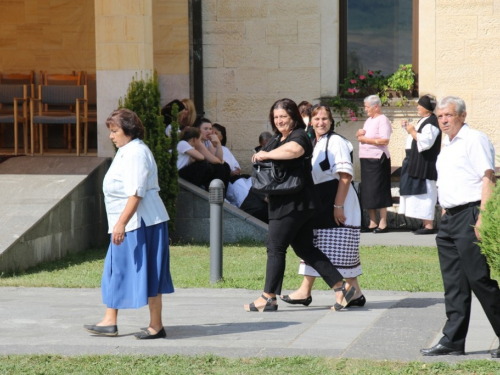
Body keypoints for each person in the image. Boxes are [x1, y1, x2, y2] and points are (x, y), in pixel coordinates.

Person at [244, 98, 356, 313]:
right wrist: (261, 154)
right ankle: (342, 287)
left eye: (283, 116)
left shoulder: (300, 135)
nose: (279, 121)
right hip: (288, 202)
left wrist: (266, 154)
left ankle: (268, 297)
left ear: (293, 117)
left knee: (275, 247)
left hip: (293, 203)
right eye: (276, 117)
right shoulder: (277, 138)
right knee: (305, 248)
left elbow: (294, 151)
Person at [420, 96, 500, 358]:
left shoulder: (474, 139)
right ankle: (453, 340)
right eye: (440, 115)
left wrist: (483, 217)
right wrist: (445, 209)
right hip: (450, 219)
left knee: (480, 280)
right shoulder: (448, 144)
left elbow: (488, 178)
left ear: (462, 116)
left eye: (449, 115)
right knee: (454, 283)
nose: (443, 120)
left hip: (471, 215)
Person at [84, 108, 174, 340]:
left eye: (115, 131)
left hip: (141, 223)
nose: (111, 136)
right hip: (130, 222)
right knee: (115, 269)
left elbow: (136, 193)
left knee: (146, 272)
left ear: (128, 131)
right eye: (111, 131)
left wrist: (120, 224)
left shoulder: (136, 153)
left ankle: (155, 326)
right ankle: (109, 320)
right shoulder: (127, 151)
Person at [280, 104, 365, 308]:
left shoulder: (337, 142)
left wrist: (338, 206)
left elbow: (345, 176)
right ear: (310, 121)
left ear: (331, 121)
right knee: (317, 246)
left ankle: (348, 293)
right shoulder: (312, 142)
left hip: (337, 198)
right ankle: (312, 291)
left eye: (325, 119)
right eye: (316, 119)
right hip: (320, 200)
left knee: (336, 249)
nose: (320, 123)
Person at [398, 95, 441, 234]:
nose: (417, 107)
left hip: (424, 164)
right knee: (419, 192)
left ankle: (428, 225)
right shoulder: (425, 120)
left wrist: (412, 131)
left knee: (426, 192)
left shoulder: (432, 123)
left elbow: (426, 142)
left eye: (420, 105)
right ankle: (424, 223)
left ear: (427, 109)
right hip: (416, 162)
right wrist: (409, 130)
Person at [356, 95, 393, 233]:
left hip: (378, 159)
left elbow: (384, 140)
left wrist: (365, 139)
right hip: (366, 159)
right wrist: (358, 134)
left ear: (375, 106)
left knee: (380, 190)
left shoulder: (382, 120)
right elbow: (362, 136)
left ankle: (383, 223)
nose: (365, 110)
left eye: (367, 107)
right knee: (368, 191)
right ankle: (372, 222)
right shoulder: (369, 120)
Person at [193, 118, 231, 189]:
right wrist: (220, 161)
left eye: (210, 129)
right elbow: (214, 160)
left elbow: (218, 158)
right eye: (205, 129)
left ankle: (222, 195)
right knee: (219, 167)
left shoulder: (207, 142)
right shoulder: (197, 141)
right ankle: (213, 194)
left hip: (205, 169)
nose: (209, 131)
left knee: (226, 166)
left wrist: (218, 144)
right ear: (198, 130)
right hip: (194, 171)